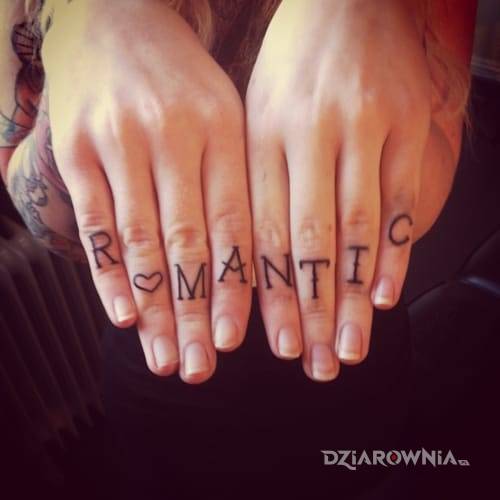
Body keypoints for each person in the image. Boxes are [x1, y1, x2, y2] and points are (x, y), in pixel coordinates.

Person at [0, 0, 476, 496]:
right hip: (159, 379)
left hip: (354, 359)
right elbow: (36, 202)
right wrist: (77, 28)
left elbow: (427, 182)